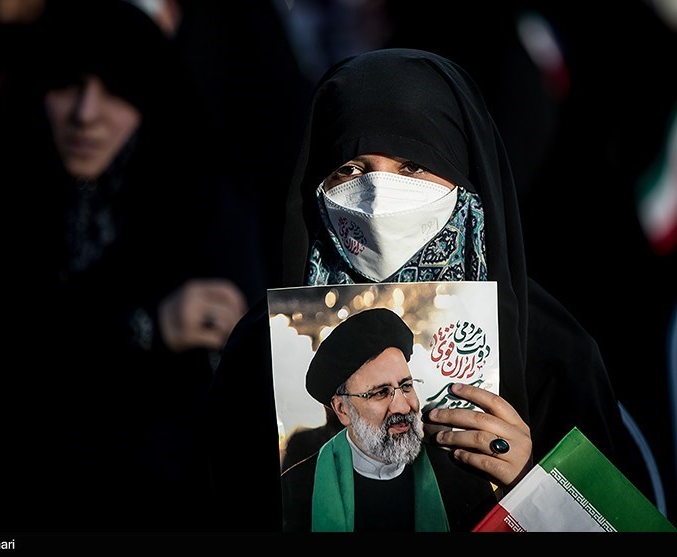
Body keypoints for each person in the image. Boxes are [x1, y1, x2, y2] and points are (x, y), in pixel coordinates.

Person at [207, 48, 653, 532]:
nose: (377, 195)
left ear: (465, 172)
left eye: (412, 166)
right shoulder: (260, 347)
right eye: (350, 170)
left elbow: (624, 523)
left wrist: (532, 484)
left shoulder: (548, 348)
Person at [0, 0, 249, 532]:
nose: (85, 113)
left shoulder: (197, 205)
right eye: (65, 85)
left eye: (117, 90)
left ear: (151, 97)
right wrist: (143, 327)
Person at [281, 307, 530, 532]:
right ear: (342, 409)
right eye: (380, 393)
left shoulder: (460, 475)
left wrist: (522, 488)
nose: (403, 405)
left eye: (406, 386)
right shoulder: (295, 489)